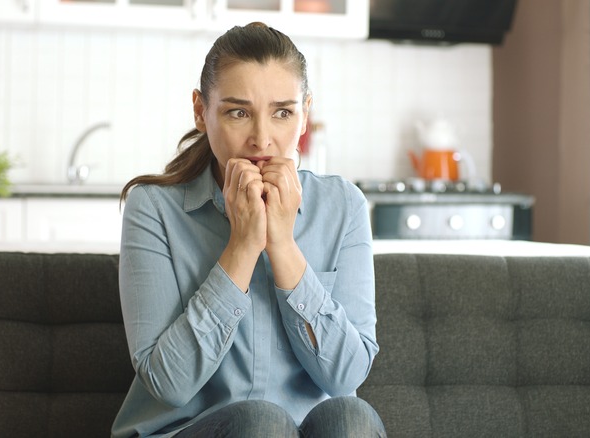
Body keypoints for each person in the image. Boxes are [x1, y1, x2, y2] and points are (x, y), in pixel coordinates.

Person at [112, 22, 385, 438]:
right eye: (238, 112)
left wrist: (282, 243)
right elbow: (170, 383)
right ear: (201, 112)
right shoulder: (153, 208)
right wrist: (242, 245)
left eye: (282, 113)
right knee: (260, 423)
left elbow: (345, 376)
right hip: (187, 430)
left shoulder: (343, 207)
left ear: (305, 115)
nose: (262, 139)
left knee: (352, 418)